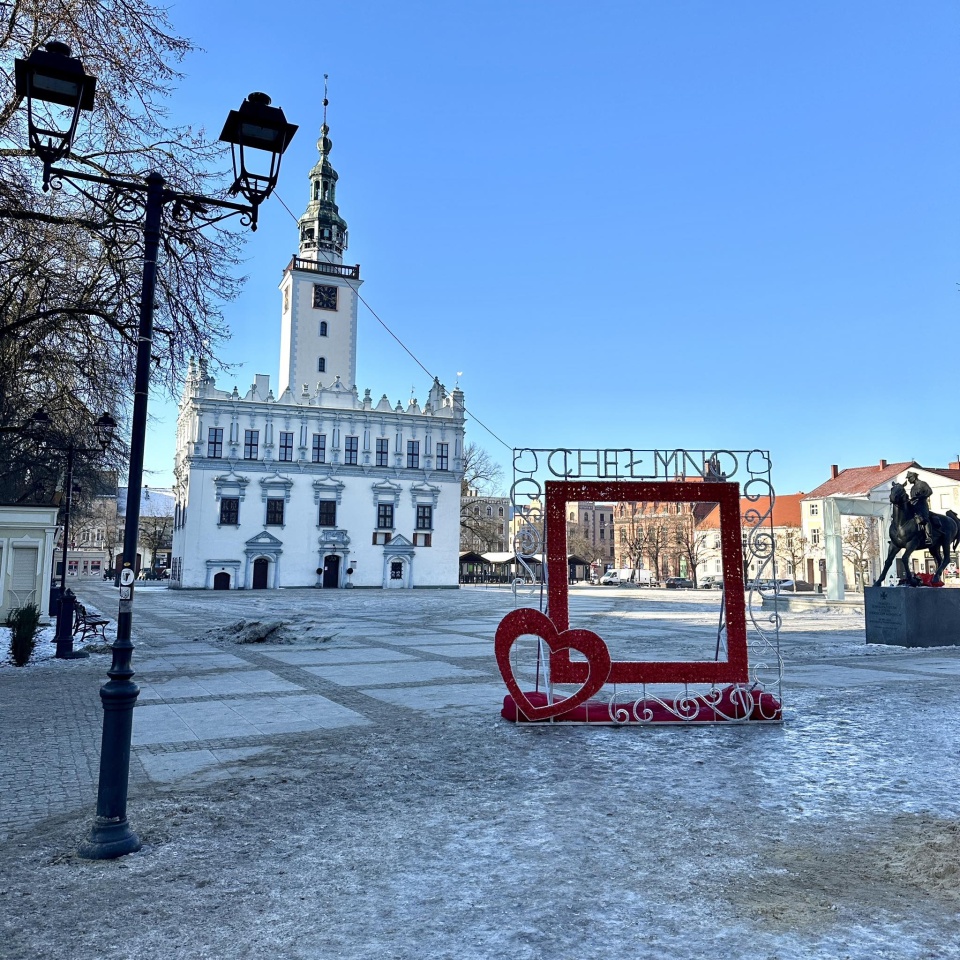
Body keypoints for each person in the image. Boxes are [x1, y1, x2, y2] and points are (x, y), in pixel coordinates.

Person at [905, 470, 935, 545]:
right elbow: (912, 497)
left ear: (913, 477)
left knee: (925, 520)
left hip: (922, 505)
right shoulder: (912, 488)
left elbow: (930, 492)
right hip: (913, 506)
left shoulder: (922, 484)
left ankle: (929, 537)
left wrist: (920, 497)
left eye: (909, 478)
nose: (908, 480)